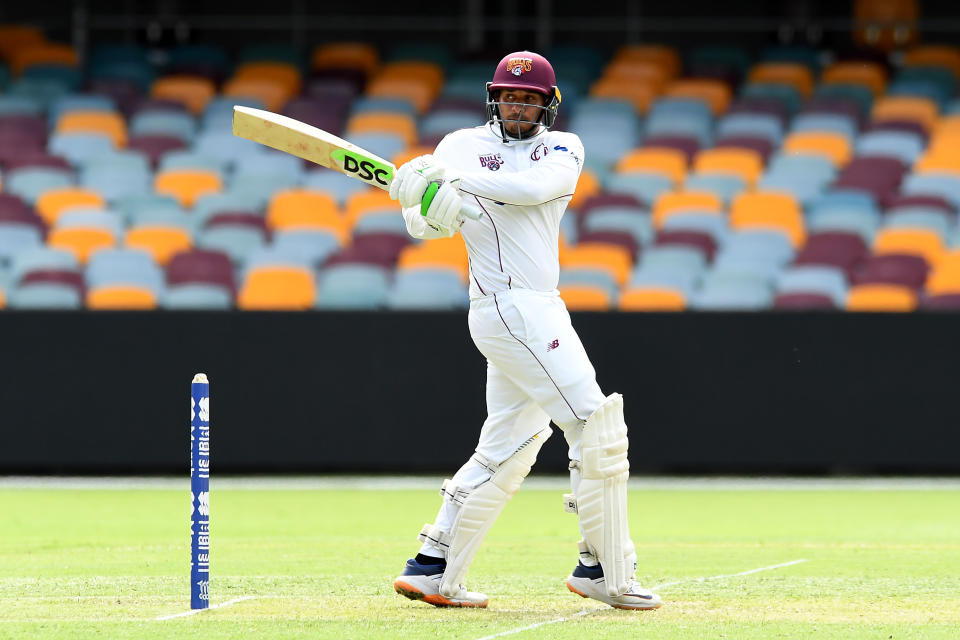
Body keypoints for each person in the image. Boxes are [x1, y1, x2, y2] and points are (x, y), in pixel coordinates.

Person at [387, 50, 662, 611]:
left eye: (530, 98)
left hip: (535, 309)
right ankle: (604, 569)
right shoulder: (460, 145)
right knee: (595, 423)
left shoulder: (561, 148)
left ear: (548, 104)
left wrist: (451, 181)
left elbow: (534, 189)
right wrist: (420, 204)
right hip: (507, 308)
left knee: (512, 442)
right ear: (494, 98)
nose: (518, 105)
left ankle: (433, 566)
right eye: (509, 96)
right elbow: (427, 224)